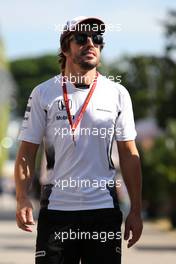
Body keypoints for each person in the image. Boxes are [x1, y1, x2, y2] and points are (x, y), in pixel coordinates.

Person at [14, 16, 143, 264]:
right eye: (82, 38)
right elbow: (26, 153)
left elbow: (129, 154)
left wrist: (136, 210)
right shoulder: (43, 93)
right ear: (65, 47)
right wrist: (21, 197)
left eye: (97, 39)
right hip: (57, 212)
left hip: (103, 212)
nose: (91, 43)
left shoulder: (117, 93)